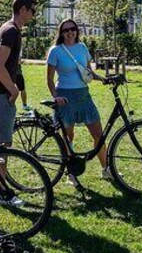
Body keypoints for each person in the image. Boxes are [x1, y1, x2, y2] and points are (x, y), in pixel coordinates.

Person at [46, 19, 111, 182]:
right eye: (66, 30)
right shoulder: (56, 51)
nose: (70, 32)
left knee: (99, 135)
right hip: (65, 97)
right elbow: (49, 79)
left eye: (73, 29)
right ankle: (71, 173)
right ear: (61, 32)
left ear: (77, 31)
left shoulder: (82, 48)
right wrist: (56, 96)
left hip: (83, 96)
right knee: (68, 137)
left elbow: (88, 71)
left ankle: (106, 169)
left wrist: (102, 79)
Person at [0, 0, 37, 148]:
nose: (33, 15)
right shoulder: (11, 31)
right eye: (32, 11)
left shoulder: (6, 28)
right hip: (1, 94)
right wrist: (13, 91)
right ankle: (0, 174)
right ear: (22, 9)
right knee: (3, 144)